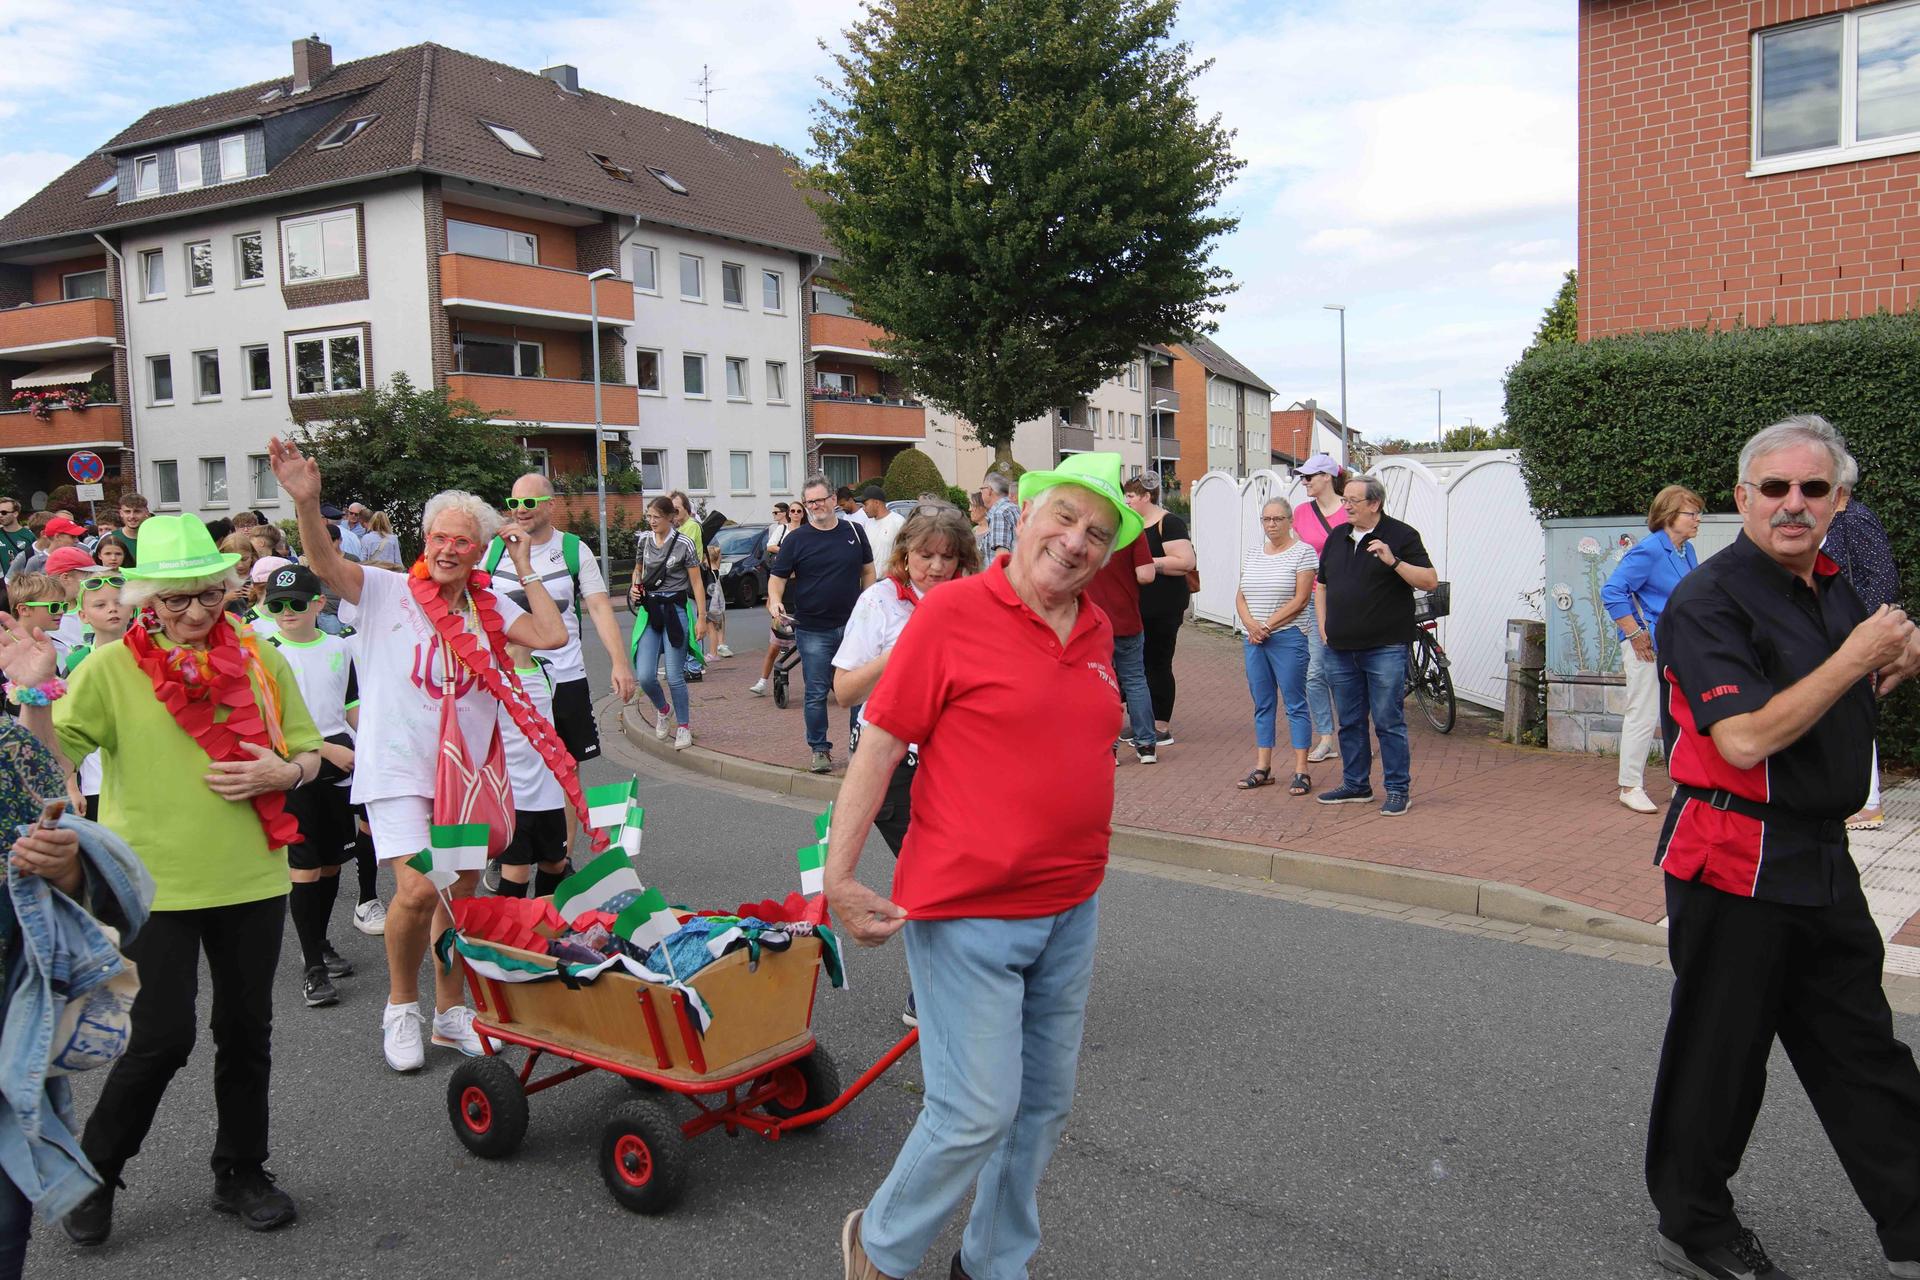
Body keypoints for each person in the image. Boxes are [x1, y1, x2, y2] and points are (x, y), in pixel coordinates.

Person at [826, 451, 1142, 1280]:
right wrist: (840, 875)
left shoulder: (1099, 627)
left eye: (1097, 534)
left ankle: (995, 1263)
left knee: (1040, 1109)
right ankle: (880, 1249)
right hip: (967, 906)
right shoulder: (955, 612)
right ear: (1024, 515)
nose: (1077, 543)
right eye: (1065, 519)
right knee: (973, 1110)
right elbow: (883, 741)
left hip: (1071, 903)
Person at [1643, 413, 1920, 1280]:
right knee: (1722, 1058)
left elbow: (1866, 665)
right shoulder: (1707, 600)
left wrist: (1902, 648)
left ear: (1838, 499)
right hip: (1733, 855)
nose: (1792, 505)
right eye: (1774, 488)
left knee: (1864, 1050)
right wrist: (1855, 655)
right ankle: (1697, 1223)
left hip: (1820, 854)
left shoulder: (1835, 584)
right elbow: (1746, 740)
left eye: (1812, 489)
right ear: (1743, 498)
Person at [15, 513, 324, 1244]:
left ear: (226, 592)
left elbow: (312, 749)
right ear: (146, 598)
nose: (193, 612)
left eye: (208, 596)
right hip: (151, 885)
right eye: (176, 599)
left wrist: (287, 770)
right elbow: (44, 763)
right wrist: (33, 694)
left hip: (253, 875)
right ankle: (94, 1170)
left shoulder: (260, 658)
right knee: (162, 1038)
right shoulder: (110, 668)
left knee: (247, 1030)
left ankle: (241, 1170)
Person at [266, 436, 573, 1074]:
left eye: (462, 540)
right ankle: (401, 1005)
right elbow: (325, 564)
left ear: (479, 548)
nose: (447, 548)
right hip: (400, 769)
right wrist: (307, 501)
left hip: (465, 779)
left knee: (457, 893)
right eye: (438, 536)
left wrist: (524, 565)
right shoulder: (385, 591)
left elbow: (551, 634)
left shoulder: (491, 608)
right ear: (424, 539)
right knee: (413, 888)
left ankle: (450, 1013)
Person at [0, 710, 152, 1278]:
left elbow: (50, 838)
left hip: (8, 1030)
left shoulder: (7, 745)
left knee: (4, 1224)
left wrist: (64, 871)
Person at [257, 565, 362, 1011]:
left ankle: (318, 942)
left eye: (296, 603)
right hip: (294, 763)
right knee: (303, 866)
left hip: (341, 761)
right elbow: (268, 720)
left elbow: (352, 705)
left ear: (318, 605)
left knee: (332, 863)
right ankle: (312, 968)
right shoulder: (264, 651)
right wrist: (324, 750)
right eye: (276, 605)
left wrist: (368, 749)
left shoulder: (339, 647)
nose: (286, 612)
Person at [484, 474, 637, 771]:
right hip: (508, 677)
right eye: (513, 502)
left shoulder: (573, 549)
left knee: (565, 766)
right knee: (509, 766)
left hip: (564, 675)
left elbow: (599, 607)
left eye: (529, 502)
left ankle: (567, 820)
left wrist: (619, 663)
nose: (520, 509)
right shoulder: (495, 551)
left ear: (551, 505)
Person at [1313, 473, 1437, 816]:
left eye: (1353, 501)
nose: (1346, 506)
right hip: (1339, 648)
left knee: (1387, 720)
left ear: (1374, 503)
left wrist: (1393, 561)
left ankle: (1397, 789)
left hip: (1384, 647)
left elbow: (1429, 580)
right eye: (1345, 500)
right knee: (1350, 721)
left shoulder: (1401, 535)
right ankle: (1356, 784)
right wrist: (1323, 626)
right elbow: (1321, 584)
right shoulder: (1338, 536)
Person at [1601, 485, 1703, 815]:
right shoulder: (1648, 551)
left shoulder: (1685, 551)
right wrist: (1634, 633)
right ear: (1669, 516)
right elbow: (1612, 591)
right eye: (1691, 513)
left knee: (1680, 713)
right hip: (1647, 647)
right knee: (1643, 714)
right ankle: (1630, 786)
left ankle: (1681, 781)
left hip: (1677, 644)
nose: (1697, 519)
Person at [768, 475, 874, 774]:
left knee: (857, 690)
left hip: (852, 626)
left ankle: (858, 743)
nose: (816, 506)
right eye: (810, 501)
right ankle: (819, 749)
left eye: (821, 499)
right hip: (812, 628)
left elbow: (868, 571)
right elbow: (776, 582)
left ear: (832, 499)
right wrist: (775, 602)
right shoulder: (797, 540)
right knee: (816, 691)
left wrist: (867, 604)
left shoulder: (854, 531)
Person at [1823, 477, 1900, 832]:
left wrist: (1861, 631)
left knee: (1854, 713)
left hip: (1854, 635)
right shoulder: (1835, 520)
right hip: (1836, 633)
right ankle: (1851, 796)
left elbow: (1883, 579)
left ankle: (1868, 803)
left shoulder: (1855, 518)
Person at [1236, 499, 1320, 794]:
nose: (1271, 525)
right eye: (1266, 519)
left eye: (1277, 519)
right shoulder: (1253, 554)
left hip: (1287, 637)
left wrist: (1266, 626)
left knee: (1295, 702)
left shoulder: (1303, 552)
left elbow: (1299, 600)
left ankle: (1301, 769)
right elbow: (1241, 595)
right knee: (1262, 703)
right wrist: (1250, 625)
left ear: (1289, 521)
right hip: (1255, 640)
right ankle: (1263, 767)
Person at [491, 619, 572, 901]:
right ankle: (504, 940)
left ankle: (540, 934)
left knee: (555, 864)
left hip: (547, 790)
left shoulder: (548, 670)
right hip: (512, 792)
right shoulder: (493, 674)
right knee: (516, 872)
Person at [626, 496, 705, 752]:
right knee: (646, 675)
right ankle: (663, 709)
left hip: (675, 610)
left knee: (674, 676)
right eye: (649, 517)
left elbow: (696, 583)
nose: (651, 522)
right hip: (650, 611)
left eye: (656, 517)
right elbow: (637, 571)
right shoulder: (644, 541)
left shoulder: (685, 544)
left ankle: (683, 726)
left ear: (671, 517)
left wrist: (701, 617)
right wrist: (634, 589)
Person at [1082, 500, 1157, 762]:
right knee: (1135, 680)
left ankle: (1110, 747)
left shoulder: (1088, 534)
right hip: (1127, 619)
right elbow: (1146, 575)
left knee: (1103, 683)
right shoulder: (1132, 532)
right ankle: (1146, 744)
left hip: (1094, 622)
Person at [1125, 472, 1194, 748]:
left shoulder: (1169, 523)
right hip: (1137, 606)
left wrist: (1148, 563)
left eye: (1131, 495)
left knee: (1158, 663)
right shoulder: (1130, 524)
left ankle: (1161, 725)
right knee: (1136, 665)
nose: (1126, 500)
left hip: (1164, 606)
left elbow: (1186, 561)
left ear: (1146, 496)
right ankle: (1141, 721)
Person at [1292, 454, 1349, 763]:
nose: (1305, 482)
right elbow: (1297, 556)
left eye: (1310, 476)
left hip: (1351, 599)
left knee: (1351, 668)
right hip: (1316, 599)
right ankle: (1326, 736)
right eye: (1303, 477)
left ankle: (1356, 731)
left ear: (1327, 476)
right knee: (1315, 670)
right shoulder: (1301, 513)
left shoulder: (1351, 508)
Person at [60, 569, 127, 819]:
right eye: (100, 604)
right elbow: (66, 728)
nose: (112, 609)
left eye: (119, 602)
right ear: (83, 616)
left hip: (144, 781)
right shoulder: (78, 661)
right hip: (97, 785)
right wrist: (71, 786)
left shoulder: (149, 656)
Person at [749, 504, 794, 697]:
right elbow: (774, 586)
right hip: (786, 608)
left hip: (805, 608)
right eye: (793, 511)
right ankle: (762, 681)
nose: (796, 514)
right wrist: (773, 604)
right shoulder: (780, 568)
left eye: (799, 511)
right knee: (774, 646)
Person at [8, 516, 84, 582]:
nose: (77, 540)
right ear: (57, 536)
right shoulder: (35, 561)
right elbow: (28, 590)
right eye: (73, 536)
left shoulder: (82, 555)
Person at [857, 485, 905, 572]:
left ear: (876, 503)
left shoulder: (898, 522)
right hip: (871, 582)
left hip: (890, 581)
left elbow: (906, 553)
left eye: (865, 504)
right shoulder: (868, 524)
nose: (863, 509)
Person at [979, 470, 1018, 559]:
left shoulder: (1000, 514)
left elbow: (1002, 557)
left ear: (989, 490)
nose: (981, 493)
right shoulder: (1014, 508)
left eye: (982, 489)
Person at [105, 494, 148, 568]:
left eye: (137, 511)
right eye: (127, 512)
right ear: (121, 513)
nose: (132, 516)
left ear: (146, 512)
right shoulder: (109, 538)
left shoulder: (156, 537)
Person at [703, 543, 730, 658]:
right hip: (718, 603)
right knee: (717, 626)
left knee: (710, 629)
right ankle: (719, 646)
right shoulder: (716, 568)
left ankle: (713, 653)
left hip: (711, 604)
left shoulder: (708, 570)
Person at [0, 499, 34, 577]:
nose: (0, 515)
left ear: (15, 514)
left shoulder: (29, 536)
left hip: (22, 584)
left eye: (4, 513)